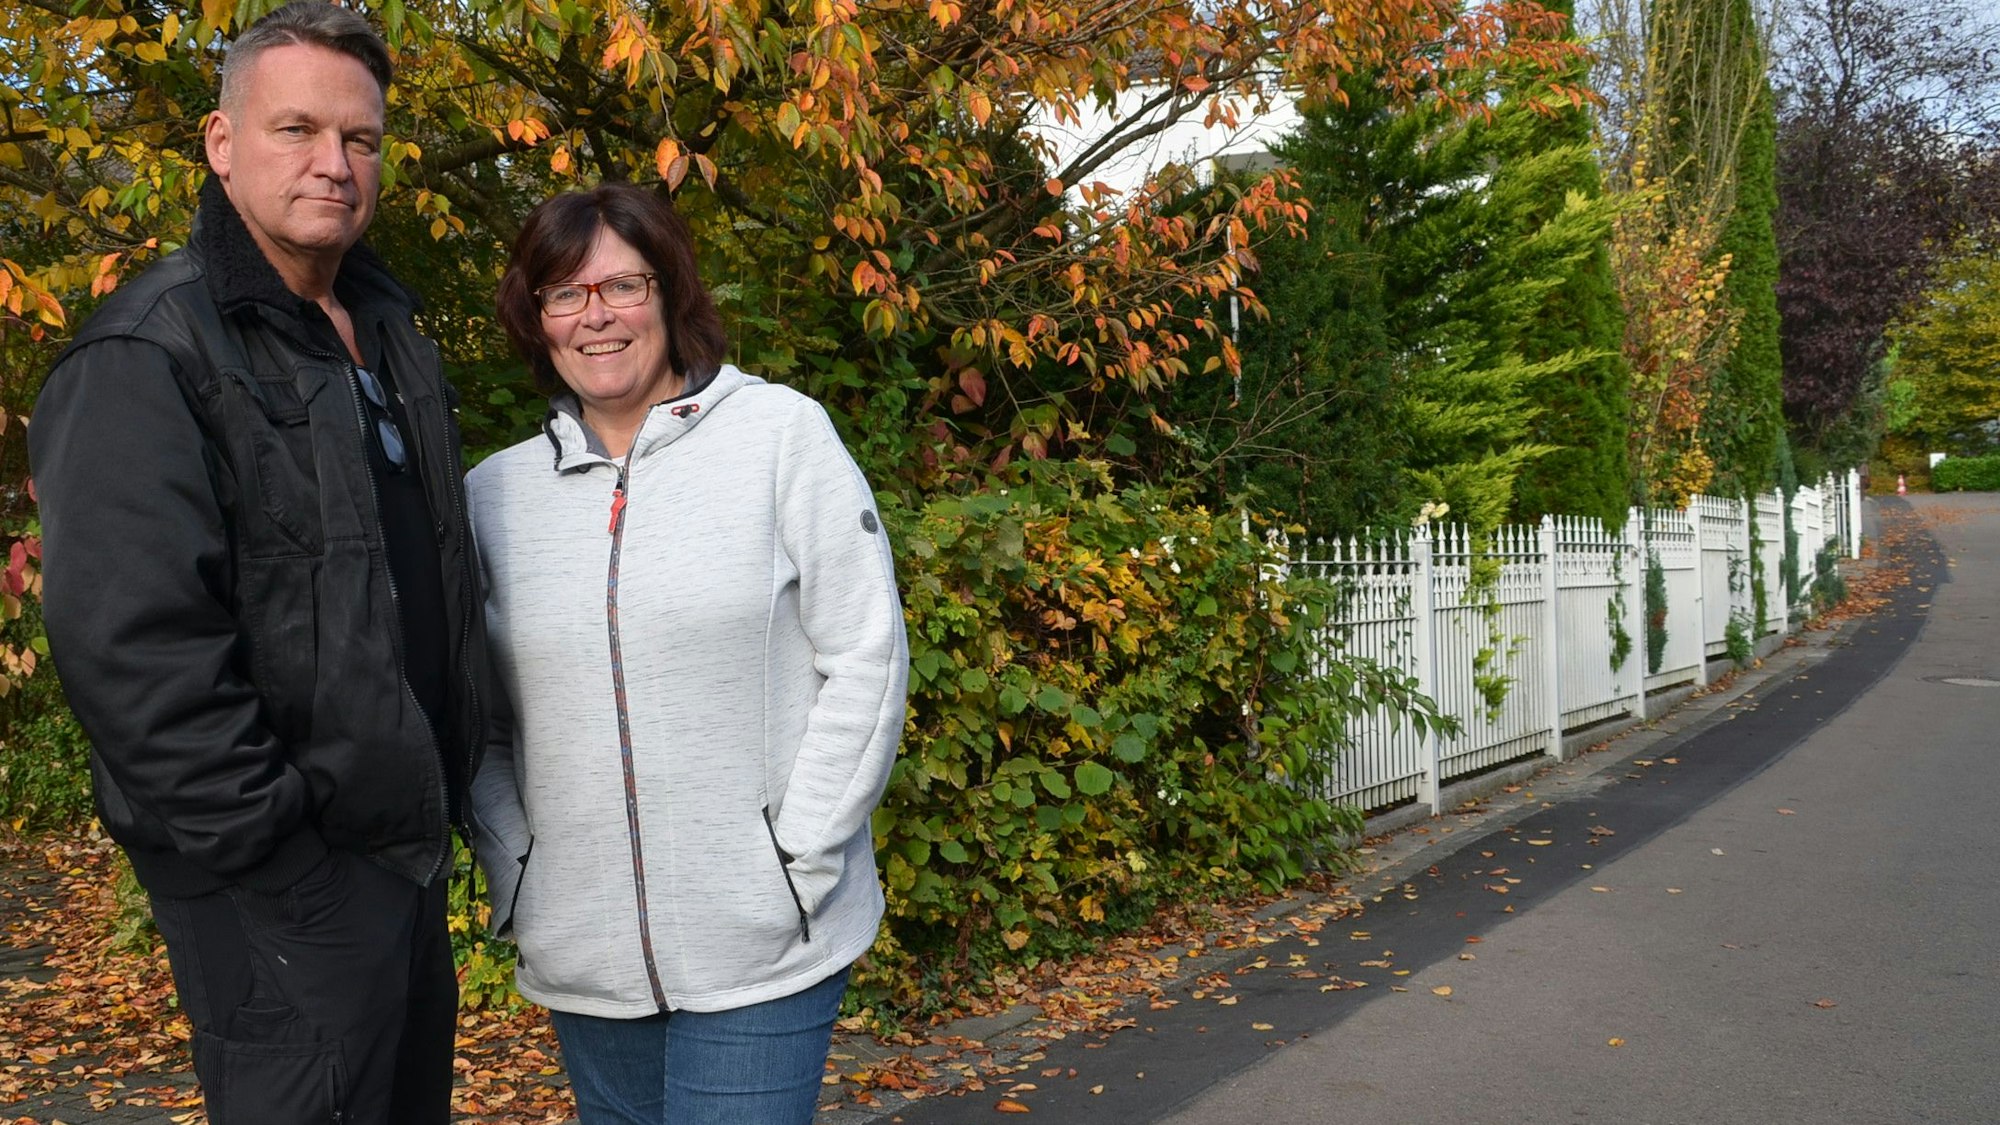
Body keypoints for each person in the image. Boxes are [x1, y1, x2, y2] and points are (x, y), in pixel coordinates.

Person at [27, 3, 488, 1122]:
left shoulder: (385, 330)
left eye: (361, 140)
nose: (333, 164)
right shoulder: (150, 352)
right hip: (282, 878)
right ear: (222, 145)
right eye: (295, 130)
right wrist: (279, 859)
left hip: (397, 853)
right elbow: (135, 653)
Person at [466, 181, 908, 1124]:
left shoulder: (781, 438)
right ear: (535, 316)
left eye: (623, 286)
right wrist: (520, 868)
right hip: (582, 949)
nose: (597, 317)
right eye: (565, 293)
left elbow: (866, 655)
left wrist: (795, 861)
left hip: (762, 940)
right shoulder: (493, 498)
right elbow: (476, 714)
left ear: (669, 294)